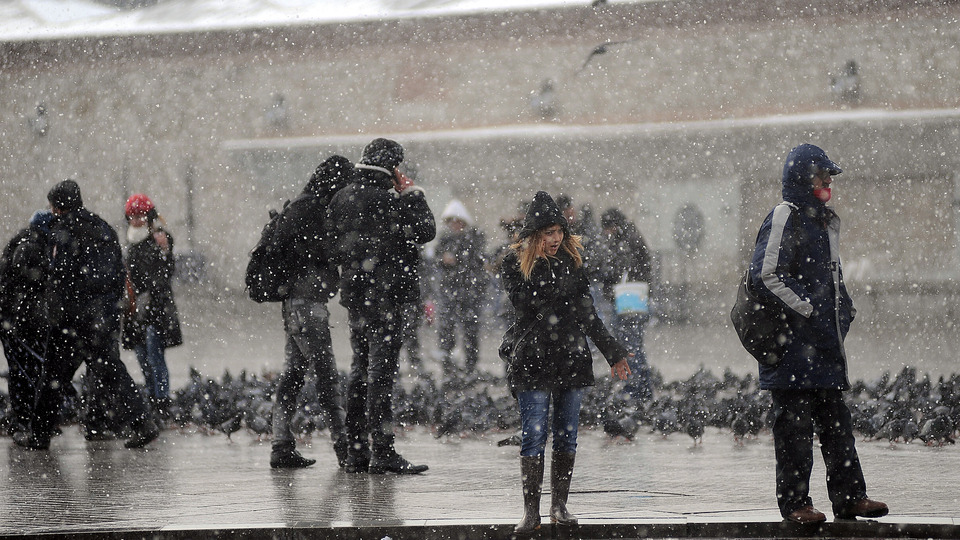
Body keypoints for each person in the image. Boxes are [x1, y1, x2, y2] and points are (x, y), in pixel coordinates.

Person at [749, 144, 888, 523]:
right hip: (792, 349)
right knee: (794, 431)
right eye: (820, 175)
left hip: (824, 348)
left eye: (829, 176)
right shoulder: (785, 215)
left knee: (837, 425)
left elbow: (831, 276)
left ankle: (850, 497)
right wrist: (809, 311)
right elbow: (765, 275)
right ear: (801, 179)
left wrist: (843, 312)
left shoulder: (822, 221)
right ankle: (796, 505)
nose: (827, 182)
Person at [500, 191, 632, 537]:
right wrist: (556, 278)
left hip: (571, 357)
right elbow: (525, 302)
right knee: (534, 435)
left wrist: (613, 352)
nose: (556, 239)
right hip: (533, 359)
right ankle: (531, 513)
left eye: (559, 231)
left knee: (567, 435)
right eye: (548, 233)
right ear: (534, 236)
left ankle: (559, 506)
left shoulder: (573, 263)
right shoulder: (515, 264)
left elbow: (588, 314)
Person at [15, 179, 159, 450]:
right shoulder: (101, 227)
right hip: (100, 319)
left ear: (58, 206)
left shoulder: (60, 231)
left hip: (72, 321)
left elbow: (54, 272)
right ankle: (143, 423)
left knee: (53, 377)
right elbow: (116, 273)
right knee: (112, 372)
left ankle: (39, 434)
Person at [326, 138, 435, 474]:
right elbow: (426, 230)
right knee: (381, 373)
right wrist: (413, 194)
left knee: (360, 369)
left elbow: (331, 242)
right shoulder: (389, 198)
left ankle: (357, 451)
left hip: (356, 297)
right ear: (393, 166)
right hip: (386, 297)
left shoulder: (343, 196)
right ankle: (383, 451)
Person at [268, 155, 352, 469]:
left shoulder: (299, 207)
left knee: (293, 375)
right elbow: (324, 254)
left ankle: (281, 445)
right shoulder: (313, 211)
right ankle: (345, 448)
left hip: (294, 306)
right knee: (327, 377)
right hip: (307, 307)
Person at [122, 194, 182, 420]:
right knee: (142, 357)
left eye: (140, 215)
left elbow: (166, 273)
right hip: (136, 310)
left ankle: (161, 401)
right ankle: (153, 397)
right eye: (133, 216)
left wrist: (165, 252)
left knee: (155, 356)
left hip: (155, 309)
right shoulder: (130, 241)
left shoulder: (159, 239)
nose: (136, 220)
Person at [0, 211, 54, 435]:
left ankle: (23, 417)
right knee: (24, 370)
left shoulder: (23, 243)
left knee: (22, 369)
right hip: (17, 320)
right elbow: (28, 283)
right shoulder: (31, 247)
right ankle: (22, 419)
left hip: (13, 318)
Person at [600, 207, 654, 402]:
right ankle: (644, 388)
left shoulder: (625, 241)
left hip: (627, 303)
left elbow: (618, 269)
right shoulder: (631, 236)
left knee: (629, 346)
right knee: (635, 344)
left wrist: (609, 285)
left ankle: (635, 388)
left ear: (613, 226)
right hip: (635, 301)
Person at [434, 199, 488, 374]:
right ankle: (448, 364)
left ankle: (470, 365)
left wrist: (458, 259)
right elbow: (435, 260)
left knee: (470, 330)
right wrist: (444, 260)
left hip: (468, 291)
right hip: (450, 290)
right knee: (447, 330)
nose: (455, 226)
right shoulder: (445, 240)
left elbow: (477, 262)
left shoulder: (474, 239)